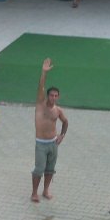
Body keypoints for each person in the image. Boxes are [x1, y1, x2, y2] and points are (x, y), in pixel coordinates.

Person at [32, 58, 68, 202]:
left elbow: (65, 122)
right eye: (51, 95)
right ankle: (34, 192)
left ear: (58, 97)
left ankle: (46, 190)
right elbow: (40, 86)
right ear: (47, 95)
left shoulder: (58, 110)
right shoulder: (41, 105)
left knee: (50, 169)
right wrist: (44, 72)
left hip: (53, 143)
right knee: (39, 169)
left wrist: (62, 135)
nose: (53, 97)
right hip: (41, 143)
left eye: (55, 96)